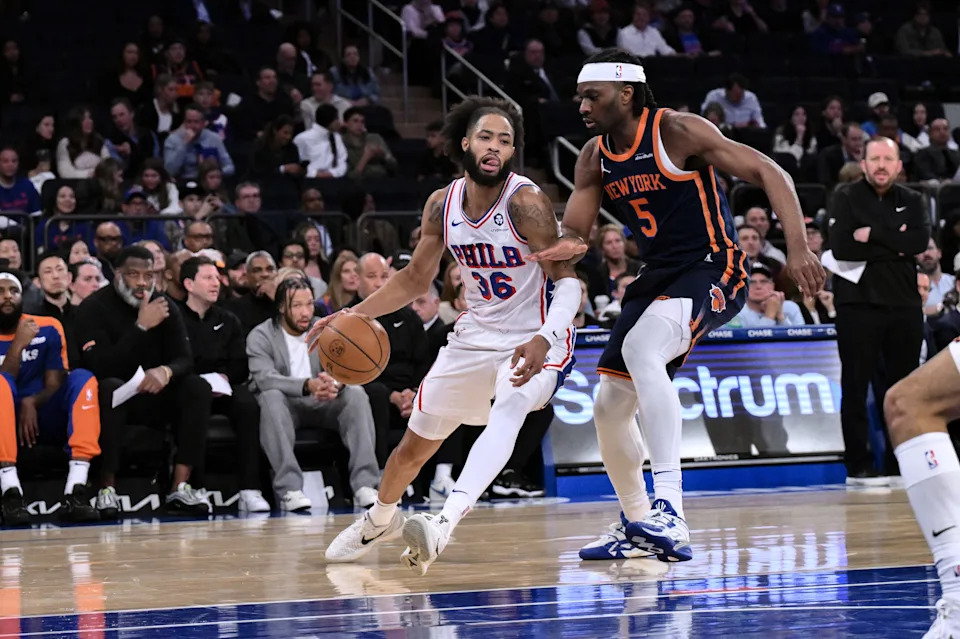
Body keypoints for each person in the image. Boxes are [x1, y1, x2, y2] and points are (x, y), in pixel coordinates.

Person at [533, 48, 823, 563]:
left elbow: (771, 171)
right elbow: (577, 231)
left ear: (626, 93)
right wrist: (558, 245)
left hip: (715, 263)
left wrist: (798, 247)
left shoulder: (678, 131)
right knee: (607, 407)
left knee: (645, 349)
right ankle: (640, 524)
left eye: (592, 96)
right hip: (657, 275)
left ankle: (671, 508)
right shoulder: (592, 156)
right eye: (579, 96)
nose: (581, 106)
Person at [319, 96, 580, 575]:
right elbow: (415, 280)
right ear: (465, 143)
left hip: (534, 337)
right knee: (413, 448)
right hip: (474, 335)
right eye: (486, 136)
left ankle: (442, 522)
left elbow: (568, 282)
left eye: (506, 140)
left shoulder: (526, 202)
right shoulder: (443, 204)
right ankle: (380, 520)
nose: (495, 147)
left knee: (511, 403)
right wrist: (348, 314)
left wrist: (546, 336)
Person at [74, 246, 213, 517]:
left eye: (148, 275)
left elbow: (185, 359)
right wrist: (140, 328)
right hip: (116, 397)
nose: (141, 282)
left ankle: (180, 486)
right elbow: (100, 365)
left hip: (157, 395)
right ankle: (106, 489)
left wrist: (166, 371)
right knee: (108, 387)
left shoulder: (163, 304)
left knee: (197, 387)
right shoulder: (93, 307)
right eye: (133, 274)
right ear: (116, 275)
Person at [825, 136, 929, 484]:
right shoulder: (845, 197)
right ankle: (859, 465)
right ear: (864, 164)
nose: (881, 165)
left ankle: (902, 463)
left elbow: (916, 243)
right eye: (875, 159)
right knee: (855, 386)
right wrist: (894, 242)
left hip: (904, 306)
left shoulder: (914, 200)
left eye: (888, 158)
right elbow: (841, 248)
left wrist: (871, 235)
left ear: (899, 165)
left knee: (904, 389)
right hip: (858, 306)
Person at [246, 277, 380, 512]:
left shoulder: (325, 328)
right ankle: (289, 489)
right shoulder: (261, 335)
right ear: (281, 307)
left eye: (309, 304)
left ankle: (365, 486)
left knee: (356, 394)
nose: (305, 312)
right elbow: (265, 378)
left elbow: (345, 367)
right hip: (288, 405)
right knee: (270, 397)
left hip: (325, 402)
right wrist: (307, 385)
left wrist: (336, 384)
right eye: (297, 306)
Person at [0, 271, 101, 525]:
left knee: (83, 378)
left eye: (13, 291)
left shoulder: (47, 325)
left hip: (43, 410)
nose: (7, 297)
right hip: (4, 421)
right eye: (0, 292)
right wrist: (18, 346)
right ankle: (10, 492)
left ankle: (76, 489)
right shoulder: (25, 334)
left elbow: (55, 383)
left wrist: (31, 402)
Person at [177, 256, 270, 513]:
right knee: (196, 396)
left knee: (248, 405)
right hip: (189, 389)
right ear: (189, 283)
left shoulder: (229, 319)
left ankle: (250, 489)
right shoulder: (175, 318)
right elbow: (175, 360)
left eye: (217, 278)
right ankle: (196, 487)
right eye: (207, 278)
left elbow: (240, 363)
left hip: (225, 386)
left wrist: (227, 377)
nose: (215, 283)